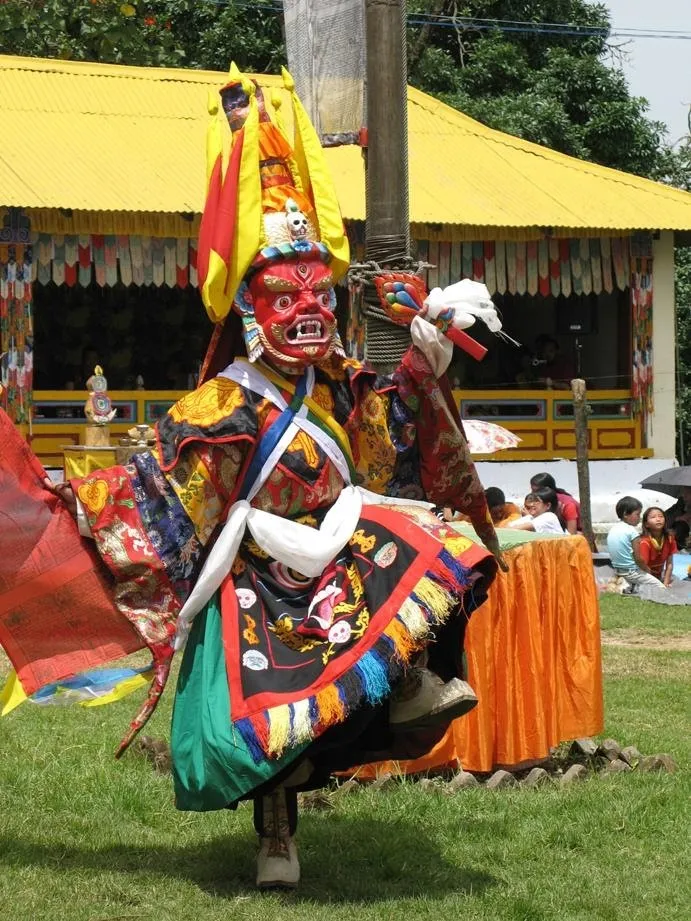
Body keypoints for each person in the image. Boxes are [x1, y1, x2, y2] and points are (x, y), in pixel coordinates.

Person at [13, 67, 509, 891]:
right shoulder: (220, 404)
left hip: (338, 550)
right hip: (256, 575)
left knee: (426, 532)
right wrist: (64, 502)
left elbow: (387, 454)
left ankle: (411, 682)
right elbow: (154, 497)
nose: (307, 308)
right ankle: (276, 833)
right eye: (285, 293)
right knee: (268, 717)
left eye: (319, 291)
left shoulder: (346, 382)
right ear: (250, 307)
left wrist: (424, 361)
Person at [606, 497, 665, 592]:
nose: (639, 517)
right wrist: (647, 570)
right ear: (625, 514)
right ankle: (629, 586)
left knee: (638, 582)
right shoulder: (632, 532)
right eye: (637, 514)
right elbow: (638, 559)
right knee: (661, 588)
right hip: (631, 572)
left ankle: (626, 586)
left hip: (617, 570)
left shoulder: (613, 529)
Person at [638, 507, 677, 586]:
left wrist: (665, 583)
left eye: (661, 516)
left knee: (674, 580)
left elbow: (669, 564)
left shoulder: (670, 538)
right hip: (644, 576)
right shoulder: (644, 542)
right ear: (646, 524)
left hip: (658, 576)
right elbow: (643, 567)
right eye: (653, 517)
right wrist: (656, 583)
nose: (658, 519)